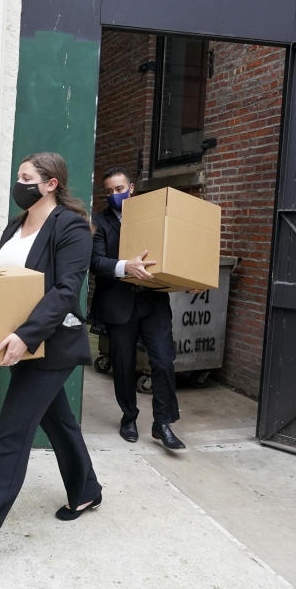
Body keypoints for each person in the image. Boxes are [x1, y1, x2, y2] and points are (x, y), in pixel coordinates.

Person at [0, 152, 102, 566]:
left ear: (51, 183)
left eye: (27, 178)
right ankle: (86, 490)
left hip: (50, 345)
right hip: (18, 341)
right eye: (19, 177)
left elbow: (65, 290)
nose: (20, 184)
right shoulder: (17, 225)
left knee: (12, 436)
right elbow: (1, 279)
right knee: (58, 421)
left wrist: (25, 335)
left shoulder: (71, 227)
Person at [90, 167, 186, 450]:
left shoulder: (154, 217)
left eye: (119, 189)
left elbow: (173, 250)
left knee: (164, 361)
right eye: (109, 192)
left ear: (131, 188)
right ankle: (128, 417)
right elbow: (96, 262)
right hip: (119, 304)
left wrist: (189, 279)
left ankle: (163, 424)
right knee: (123, 365)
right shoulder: (99, 222)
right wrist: (124, 267)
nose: (114, 195)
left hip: (153, 301)